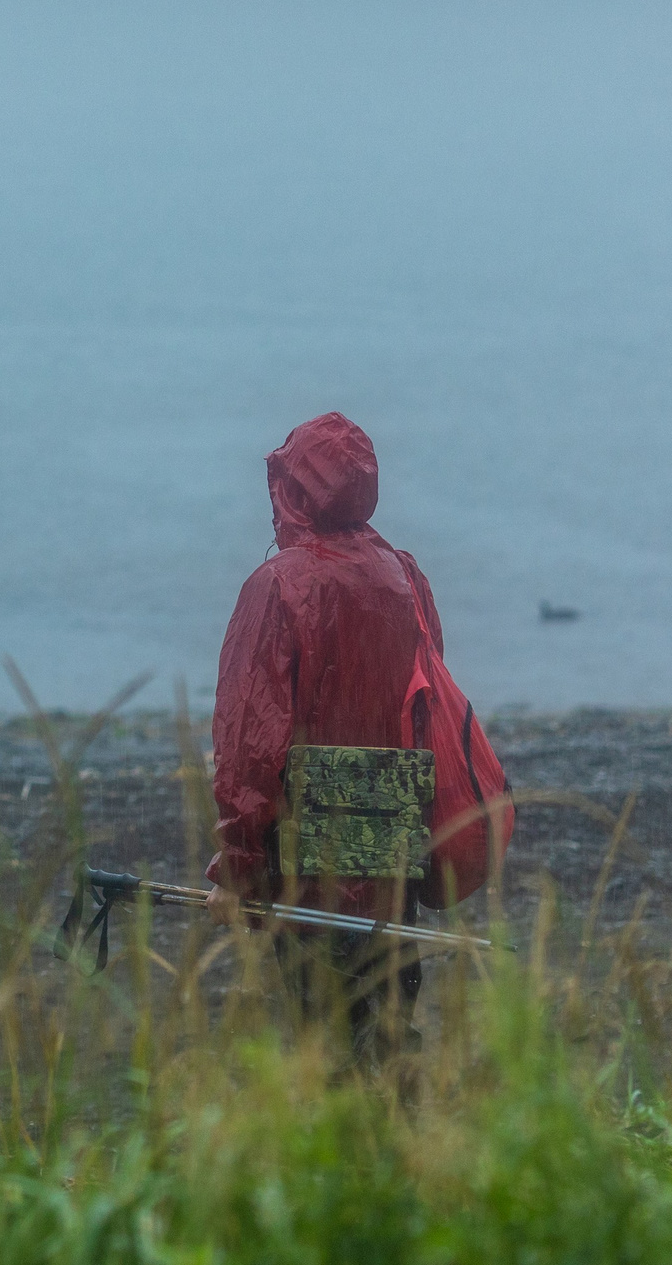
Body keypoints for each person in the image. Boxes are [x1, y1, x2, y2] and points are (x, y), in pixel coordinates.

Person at [200, 412, 472, 1057]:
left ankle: (358, 1148)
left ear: (290, 492)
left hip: (308, 860)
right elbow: (423, 711)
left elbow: (249, 743)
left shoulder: (278, 587)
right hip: (395, 842)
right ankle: (405, 1148)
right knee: (388, 1027)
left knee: (327, 1041)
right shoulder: (405, 577)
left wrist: (236, 871)